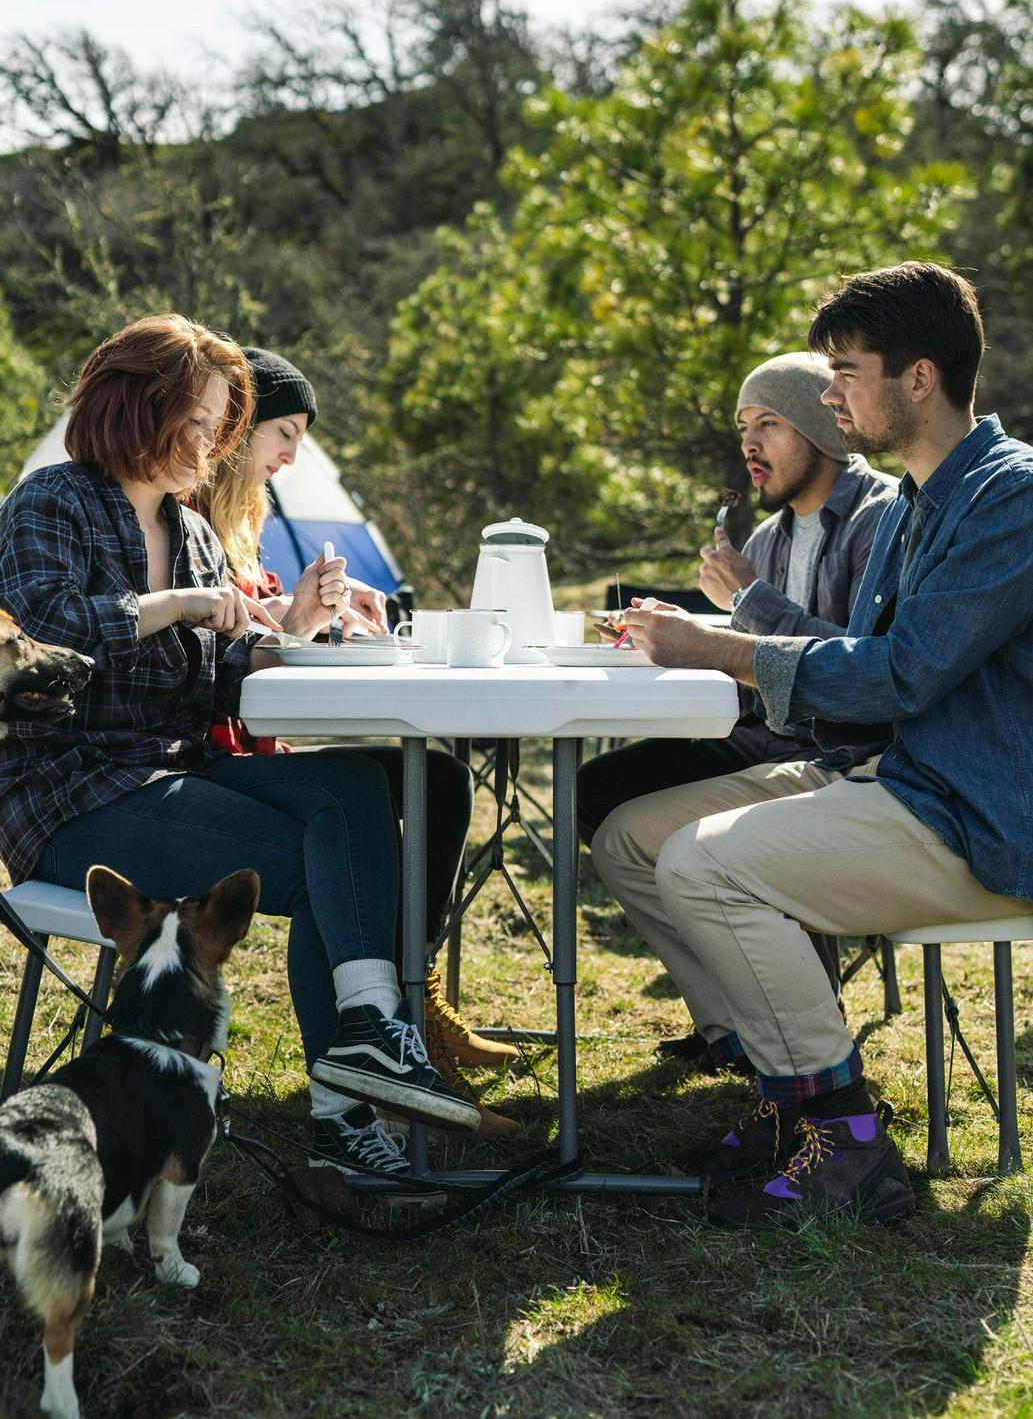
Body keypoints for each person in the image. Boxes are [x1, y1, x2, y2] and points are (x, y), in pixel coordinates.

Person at [594, 261, 1033, 1225]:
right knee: (630, 837)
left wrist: (726, 649)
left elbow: (900, 674)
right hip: (895, 772)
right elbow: (857, 669)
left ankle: (843, 1143)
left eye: (845, 369)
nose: (829, 392)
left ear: (918, 378)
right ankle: (778, 1088)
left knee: (706, 868)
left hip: (975, 814)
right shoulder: (920, 501)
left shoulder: (1011, 498)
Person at [0, 314, 481, 1191]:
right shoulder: (53, 502)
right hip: (72, 795)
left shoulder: (187, 531)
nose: (210, 442)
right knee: (324, 854)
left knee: (352, 782)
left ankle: (371, 1028)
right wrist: (180, 604)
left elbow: (218, 681)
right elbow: (44, 639)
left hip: (171, 766)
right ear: (133, 406)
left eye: (221, 424)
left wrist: (287, 635)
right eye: (198, 420)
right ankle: (345, 1115)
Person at [194, 345, 519, 1134]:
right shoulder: (181, 512)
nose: (291, 456)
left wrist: (320, 604)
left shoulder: (239, 523)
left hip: (249, 744)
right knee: (356, 799)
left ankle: (411, 997)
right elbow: (225, 650)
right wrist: (300, 618)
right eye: (285, 433)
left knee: (436, 780)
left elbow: (258, 613)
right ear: (235, 429)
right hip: (214, 755)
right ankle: (388, 1037)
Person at [578, 351, 898, 1061]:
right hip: (775, 736)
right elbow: (755, 654)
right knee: (599, 796)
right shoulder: (767, 536)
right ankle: (732, 1024)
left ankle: (781, 1019)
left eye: (769, 424)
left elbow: (859, 669)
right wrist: (675, 632)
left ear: (818, 427)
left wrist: (747, 601)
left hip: (840, 749)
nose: (748, 444)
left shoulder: (882, 520)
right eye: (741, 427)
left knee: (625, 811)